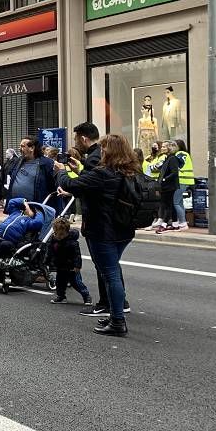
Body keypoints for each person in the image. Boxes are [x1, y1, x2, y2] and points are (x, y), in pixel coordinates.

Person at [57, 134, 138, 336]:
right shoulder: (130, 171)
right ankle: (115, 315)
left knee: (110, 274)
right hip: (124, 229)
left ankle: (118, 321)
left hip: (103, 230)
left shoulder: (103, 173)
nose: (100, 152)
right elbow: (91, 183)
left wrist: (62, 171)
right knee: (112, 271)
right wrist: (81, 170)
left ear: (108, 151)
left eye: (103, 149)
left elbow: (71, 185)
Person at [0, 198, 44, 263]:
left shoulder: (29, 221)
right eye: (28, 208)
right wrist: (24, 201)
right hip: (0, 238)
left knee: (5, 244)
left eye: (31, 209)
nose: (28, 209)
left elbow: (39, 222)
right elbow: (11, 202)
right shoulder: (15, 212)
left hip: (11, 243)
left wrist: (38, 211)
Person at [48, 217, 92, 306]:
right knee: (60, 282)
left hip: (71, 266)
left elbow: (77, 255)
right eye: (57, 234)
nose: (59, 236)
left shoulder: (72, 242)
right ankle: (61, 296)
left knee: (76, 283)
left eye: (61, 234)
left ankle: (86, 296)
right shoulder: (54, 240)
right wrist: (50, 261)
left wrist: (77, 266)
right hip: (60, 265)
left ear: (67, 233)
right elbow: (51, 252)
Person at [6, 138, 55, 202]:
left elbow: (53, 185)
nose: (19, 148)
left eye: (22, 146)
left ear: (32, 148)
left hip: (35, 207)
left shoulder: (47, 163)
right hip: (15, 206)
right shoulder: (17, 161)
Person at [154, 140, 182, 232]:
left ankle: (164, 225)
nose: (162, 148)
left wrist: (164, 179)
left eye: (164, 147)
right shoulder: (167, 158)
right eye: (162, 147)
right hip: (166, 186)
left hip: (170, 186)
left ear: (170, 148)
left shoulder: (172, 158)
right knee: (170, 205)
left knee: (168, 206)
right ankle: (175, 224)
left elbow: (174, 173)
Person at [172, 139, 193, 230]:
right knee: (180, 202)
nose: (172, 147)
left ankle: (183, 223)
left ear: (178, 146)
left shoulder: (178, 155)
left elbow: (178, 166)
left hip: (181, 180)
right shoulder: (187, 154)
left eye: (174, 145)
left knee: (176, 202)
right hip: (187, 181)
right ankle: (182, 222)